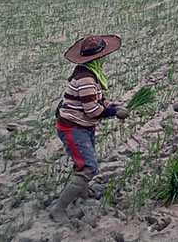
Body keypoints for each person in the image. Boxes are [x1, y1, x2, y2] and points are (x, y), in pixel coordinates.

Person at [50, 35, 128, 221]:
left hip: (82, 126)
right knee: (89, 166)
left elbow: (96, 100)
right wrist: (113, 112)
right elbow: (92, 110)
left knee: (83, 162)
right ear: (97, 58)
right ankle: (58, 208)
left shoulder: (91, 73)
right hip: (72, 128)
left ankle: (83, 191)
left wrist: (113, 105)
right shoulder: (85, 79)